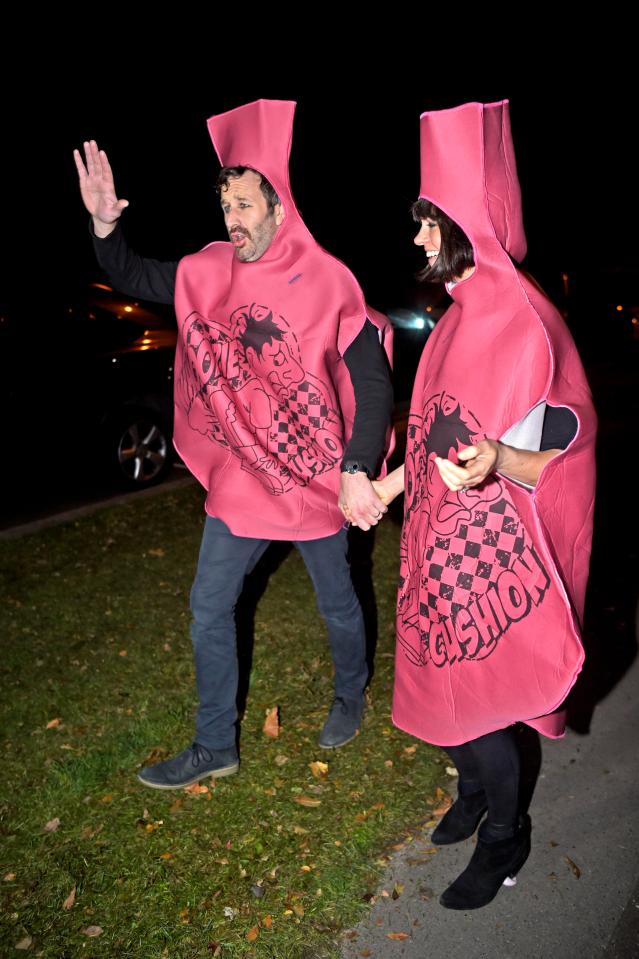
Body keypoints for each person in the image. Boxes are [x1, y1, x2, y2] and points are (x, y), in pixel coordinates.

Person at [74, 99, 394, 789]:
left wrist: (356, 468)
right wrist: (105, 225)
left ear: (278, 207)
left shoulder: (330, 279)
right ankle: (214, 741)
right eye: (225, 204)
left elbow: (371, 381)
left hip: (314, 474)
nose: (233, 218)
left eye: (245, 203)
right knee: (207, 604)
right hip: (246, 477)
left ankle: (349, 691)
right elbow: (133, 274)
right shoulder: (208, 269)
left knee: (336, 599)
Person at [373, 100, 596, 910]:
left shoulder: (532, 323)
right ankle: (471, 793)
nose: (419, 238)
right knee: (443, 693)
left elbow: (566, 459)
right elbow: (434, 436)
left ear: (470, 222)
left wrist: (501, 458)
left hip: (498, 567)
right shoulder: (452, 319)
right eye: (420, 222)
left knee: (481, 709)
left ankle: (506, 834)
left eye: (432, 222)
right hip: (435, 547)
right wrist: (388, 488)